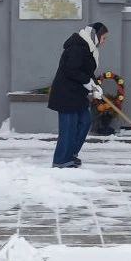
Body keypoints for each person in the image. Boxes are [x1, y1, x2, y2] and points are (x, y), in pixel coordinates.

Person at [48, 22, 108, 168]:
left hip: (77, 94)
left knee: (85, 121)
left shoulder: (88, 48)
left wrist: (96, 86)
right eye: (104, 38)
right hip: (66, 93)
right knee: (68, 127)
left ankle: (71, 154)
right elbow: (71, 70)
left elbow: (86, 72)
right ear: (96, 35)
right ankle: (61, 160)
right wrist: (88, 83)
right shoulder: (77, 47)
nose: (104, 42)